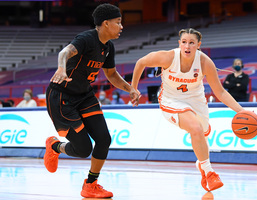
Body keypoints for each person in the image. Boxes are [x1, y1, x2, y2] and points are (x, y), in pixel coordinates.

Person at [43, 3, 139, 199]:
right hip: (62, 97)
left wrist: (130, 88)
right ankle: (54, 146)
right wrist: (61, 68)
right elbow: (64, 53)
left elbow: (111, 75)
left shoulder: (108, 47)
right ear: (105, 23)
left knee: (104, 139)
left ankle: (91, 185)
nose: (121, 27)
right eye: (118, 22)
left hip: (85, 96)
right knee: (83, 149)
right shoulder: (86, 39)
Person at [131, 28, 245, 192]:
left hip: (196, 100)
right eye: (184, 42)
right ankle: (210, 172)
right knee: (195, 127)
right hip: (171, 99)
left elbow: (220, 92)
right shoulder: (168, 57)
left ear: (198, 45)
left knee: (202, 135)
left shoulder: (205, 62)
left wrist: (240, 111)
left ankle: (201, 164)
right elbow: (141, 62)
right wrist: (133, 89)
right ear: (179, 44)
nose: (187, 46)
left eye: (192, 43)